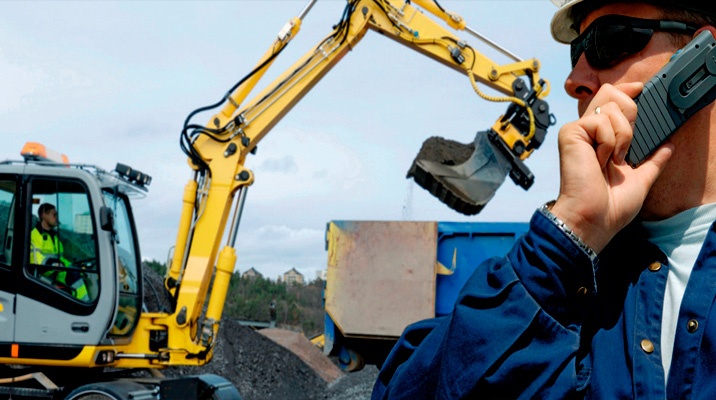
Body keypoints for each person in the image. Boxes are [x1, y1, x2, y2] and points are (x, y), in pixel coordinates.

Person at [372, 1, 716, 398]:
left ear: (699, 64)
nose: (574, 79)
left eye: (609, 40)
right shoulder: (559, 281)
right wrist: (567, 237)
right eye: (576, 51)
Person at [30, 203, 89, 302]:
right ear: (44, 215)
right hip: (44, 276)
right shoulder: (35, 235)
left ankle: (83, 302)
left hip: (58, 274)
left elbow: (60, 259)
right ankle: (85, 304)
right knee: (74, 275)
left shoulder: (55, 238)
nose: (57, 218)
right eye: (54, 214)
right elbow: (34, 258)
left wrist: (71, 265)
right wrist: (52, 264)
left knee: (77, 271)